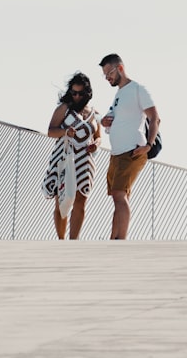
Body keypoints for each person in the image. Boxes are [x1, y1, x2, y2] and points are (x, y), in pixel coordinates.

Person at [99, 54, 159, 240]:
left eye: (109, 72)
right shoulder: (118, 95)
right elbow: (114, 120)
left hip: (132, 150)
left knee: (119, 194)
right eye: (104, 74)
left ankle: (121, 240)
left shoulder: (137, 89)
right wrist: (105, 122)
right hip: (116, 153)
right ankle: (114, 239)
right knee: (118, 196)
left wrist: (148, 145)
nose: (107, 77)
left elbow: (154, 117)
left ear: (121, 68)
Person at [42, 72, 101, 240]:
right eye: (73, 93)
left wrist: (96, 144)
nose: (76, 96)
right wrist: (65, 132)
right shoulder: (63, 109)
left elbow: (98, 137)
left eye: (80, 93)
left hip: (85, 161)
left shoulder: (94, 113)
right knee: (63, 199)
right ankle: (61, 241)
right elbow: (50, 131)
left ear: (87, 93)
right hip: (64, 157)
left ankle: (74, 241)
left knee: (81, 201)